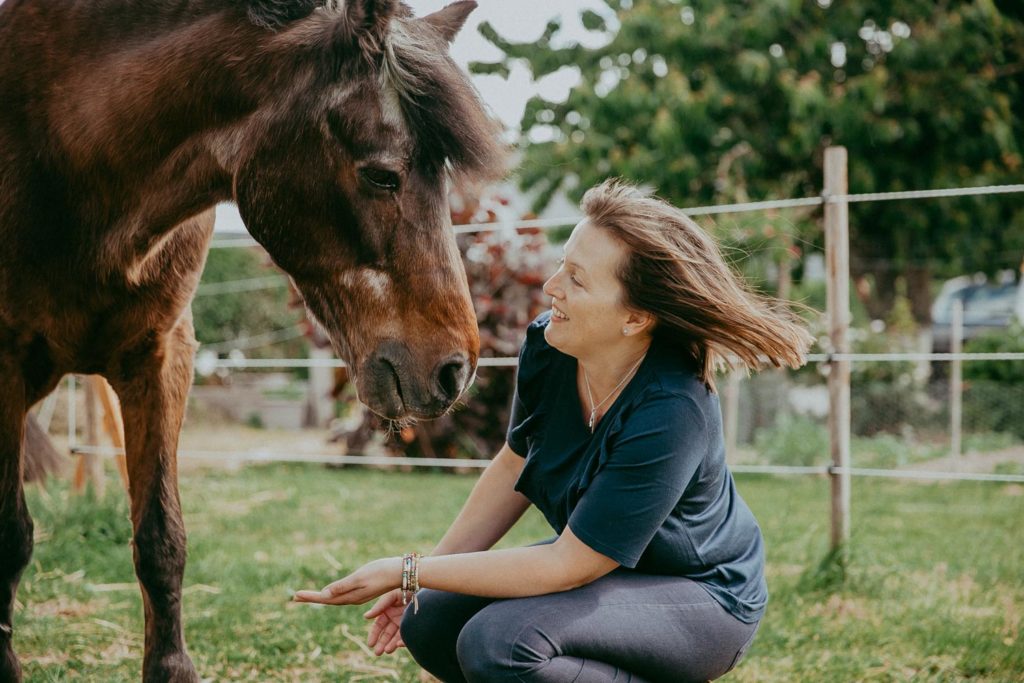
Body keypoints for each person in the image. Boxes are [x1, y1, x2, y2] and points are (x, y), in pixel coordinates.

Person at [294, 179, 813, 682]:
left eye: (577, 279)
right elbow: (514, 462)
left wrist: (406, 569)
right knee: (428, 622)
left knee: (501, 644)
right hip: (607, 573)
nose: (551, 286)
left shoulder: (673, 409)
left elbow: (568, 564)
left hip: (701, 596)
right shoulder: (552, 346)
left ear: (635, 318)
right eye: (563, 264)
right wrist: (427, 574)